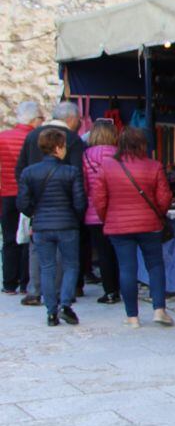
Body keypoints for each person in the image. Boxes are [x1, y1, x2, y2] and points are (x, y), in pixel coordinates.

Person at [91, 127, 173, 328]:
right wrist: (159, 213)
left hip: (119, 225)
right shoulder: (154, 166)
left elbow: (99, 198)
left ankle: (132, 316)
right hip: (149, 224)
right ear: (143, 144)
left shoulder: (107, 166)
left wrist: (107, 218)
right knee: (155, 266)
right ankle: (159, 309)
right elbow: (164, 198)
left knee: (127, 268)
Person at [17, 101, 87, 303]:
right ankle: (60, 297)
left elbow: (20, 169)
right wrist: (76, 212)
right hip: (65, 213)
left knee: (38, 253)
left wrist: (31, 210)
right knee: (65, 259)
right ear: (72, 119)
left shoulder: (32, 135)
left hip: (39, 212)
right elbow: (79, 180)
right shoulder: (73, 140)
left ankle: (36, 291)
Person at [0, 101, 42, 297]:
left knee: (9, 237)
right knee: (27, 238)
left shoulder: (2, 138)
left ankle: (9, 283)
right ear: (34, 119)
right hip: (28, 194)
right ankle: (26, 282)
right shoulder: (36, 139)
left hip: (6, 194)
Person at [82, 120, 121, 304]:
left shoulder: (86, 156)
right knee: (119, 251)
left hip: (94, 212)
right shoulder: (120, 155)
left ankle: (110, 291)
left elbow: (84, 185)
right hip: (118, 210)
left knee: (104, 252)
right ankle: (122, 287)